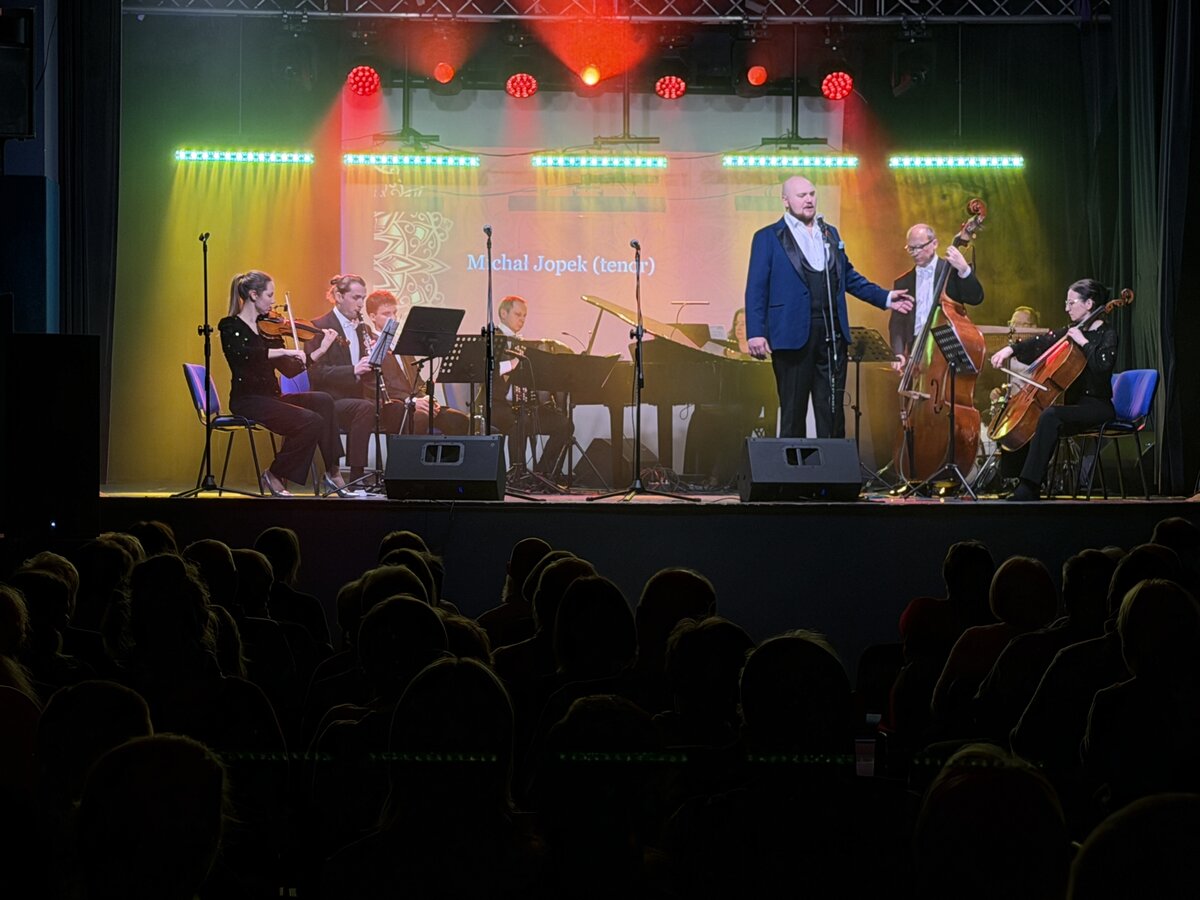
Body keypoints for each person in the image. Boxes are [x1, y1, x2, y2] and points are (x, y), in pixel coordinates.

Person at [745, 176, 914, 437]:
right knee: (793, 412)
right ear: (786, 201)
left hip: (831, 336)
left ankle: (831, 464)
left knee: (832, 414)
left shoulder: (829, 233)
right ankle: (794, 464)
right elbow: (756, 288)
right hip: (791, 336)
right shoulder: (768, 237)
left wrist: (885, 297)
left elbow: (848, 277)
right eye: (801, 195)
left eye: (812, 194)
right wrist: (756, 332)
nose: (809, 199)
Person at [218, 270, 349, 496]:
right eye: (270, 295)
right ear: (253, 295)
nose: (273, 301)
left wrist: (321, 349)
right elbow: (244, 354)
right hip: (247, 401)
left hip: (271, 398)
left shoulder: (268, 330)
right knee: (310, 421)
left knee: (323, 400)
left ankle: (333, 471)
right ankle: (275, 474)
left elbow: (290, 370)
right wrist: (284, 351)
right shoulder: (230, 326)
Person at [989, 278, 1117, 501]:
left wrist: (1084, 342)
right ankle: (1015, 479)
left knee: (1050, 416)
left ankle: (1030, 486)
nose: (1067, 308)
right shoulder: (1071, 331)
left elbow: (1102, 366)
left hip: (1097, 406)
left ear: (1089, 304)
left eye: (1071, 303)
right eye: (1066, 303)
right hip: (1072, 405)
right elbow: (1042, 341)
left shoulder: (1107, 334)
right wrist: (1010, 350)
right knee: (1031, 416)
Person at [301, 274, 384, 488]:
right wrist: (353, 369)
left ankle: (396, 475)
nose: (360, 304)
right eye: (356, 297)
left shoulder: (363, 329)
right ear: (338, 296)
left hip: (355, 398)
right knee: (364, 408)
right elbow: (316, 372)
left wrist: (375, 358)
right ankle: (356, 476)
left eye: (363, 298)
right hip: (329, 400)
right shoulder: (319, 326)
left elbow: (366, 372)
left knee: (396, 409)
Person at [362, 290, 470, 436]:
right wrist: (410, 400)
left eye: (394, 313)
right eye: (386, 314)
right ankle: (414, 452)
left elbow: (417, 381)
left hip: (415, 403)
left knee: (458, 420)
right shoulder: (370, 345)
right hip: (395, 407)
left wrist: (427, 398)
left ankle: (446, 452)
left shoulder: (402, 342)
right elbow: (378, 387)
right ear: (372, 317)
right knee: (420, 417)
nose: (393, 318)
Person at [491, 295, 574, 478]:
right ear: (503, 313)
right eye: (518, 314)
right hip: (497, 406)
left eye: (524, 316)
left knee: (564, 424)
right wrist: (513, 363)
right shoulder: (491, 338)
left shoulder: (523, 344)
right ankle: (517, 476)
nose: (522, 319)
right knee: (519, 421)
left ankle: (543, 473)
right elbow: (486, 371)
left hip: (524, 406)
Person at [888, 222, 985, 371]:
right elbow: (897, 322)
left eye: (919, 247)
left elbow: (976, 298)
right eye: (911, 248)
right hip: (916, 347)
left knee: (952, 382)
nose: (915, 253)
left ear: (934, 244)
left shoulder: (951, 271)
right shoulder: (903, 282)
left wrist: (964, 270)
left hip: (947, 342)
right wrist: (898, 352)